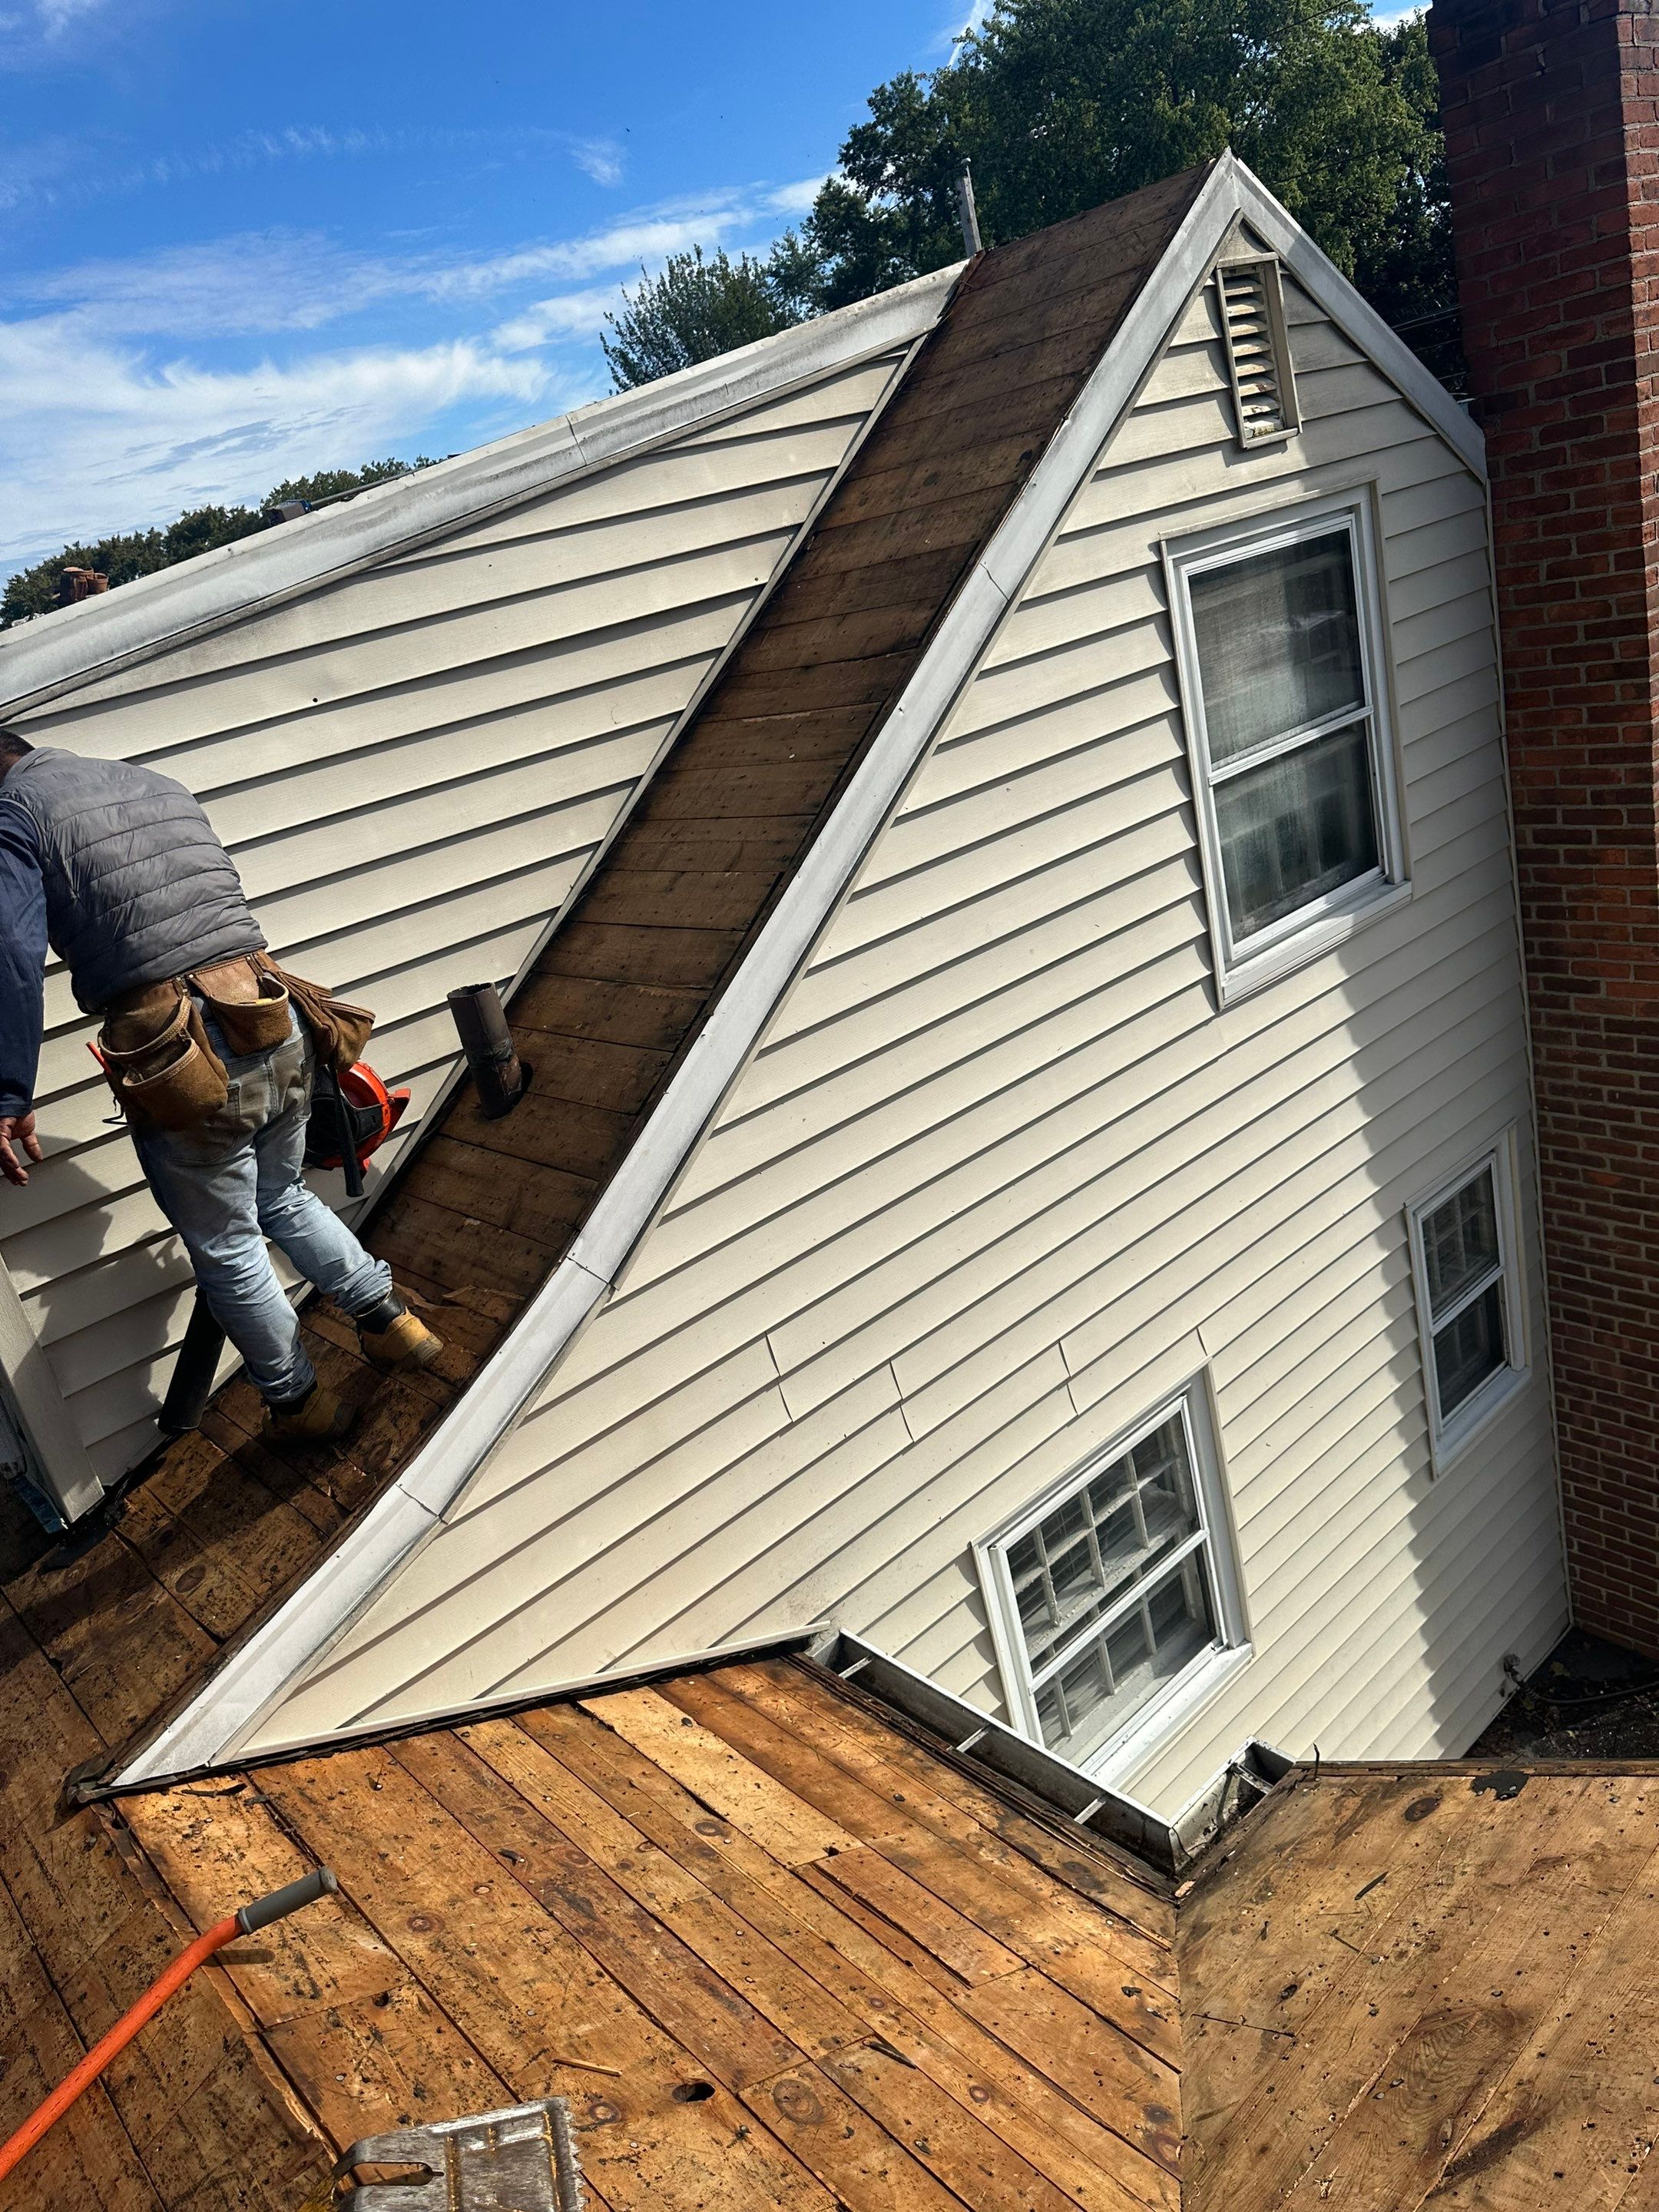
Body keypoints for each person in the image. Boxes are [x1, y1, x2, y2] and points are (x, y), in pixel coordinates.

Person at [0, 729, 440, 1442]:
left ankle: (298, 1404)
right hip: (270, 1006)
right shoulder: (153, 781)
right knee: (285, 1194)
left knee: (229, 1243)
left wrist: (7, 1092)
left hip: (180, 1045)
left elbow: (10, 953)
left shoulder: (15, 811)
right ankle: (393, 1323)